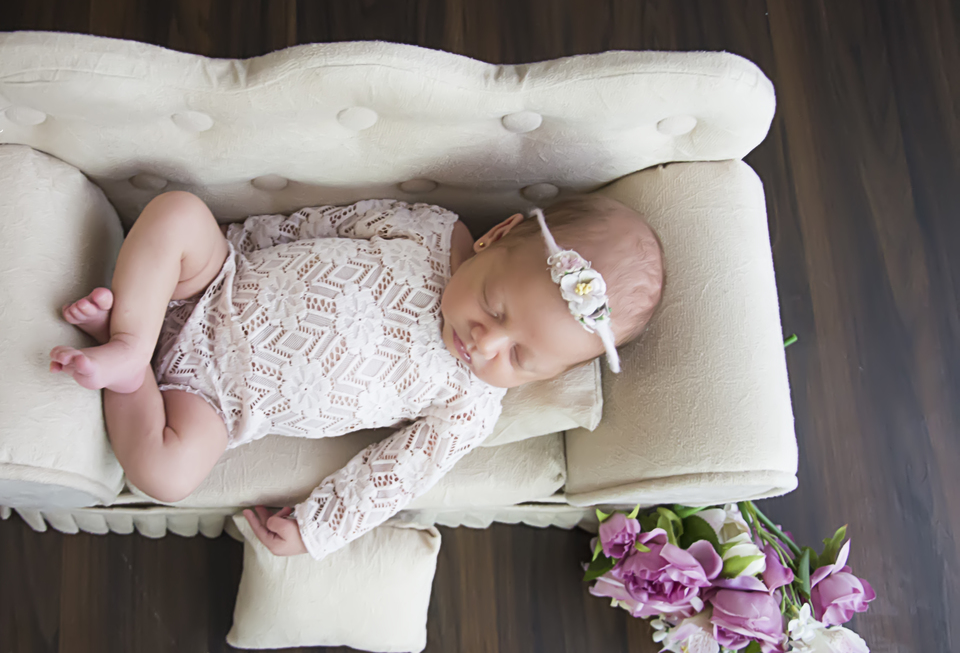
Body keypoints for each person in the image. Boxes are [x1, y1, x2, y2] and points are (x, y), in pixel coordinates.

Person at [49, 192, 664, 559]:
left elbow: (393, 476)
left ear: (543, 376)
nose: (485, 342)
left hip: (211, 400)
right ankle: (132, 335)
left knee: (168, 473)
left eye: (521, 358)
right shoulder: (431, 232)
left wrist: (318, 527)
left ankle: (132, 377)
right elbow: (319, 223)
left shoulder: (470, 405)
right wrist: (234, 247)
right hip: (218, 281)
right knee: (179, 214)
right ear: (496, 238)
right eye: (496, 308)